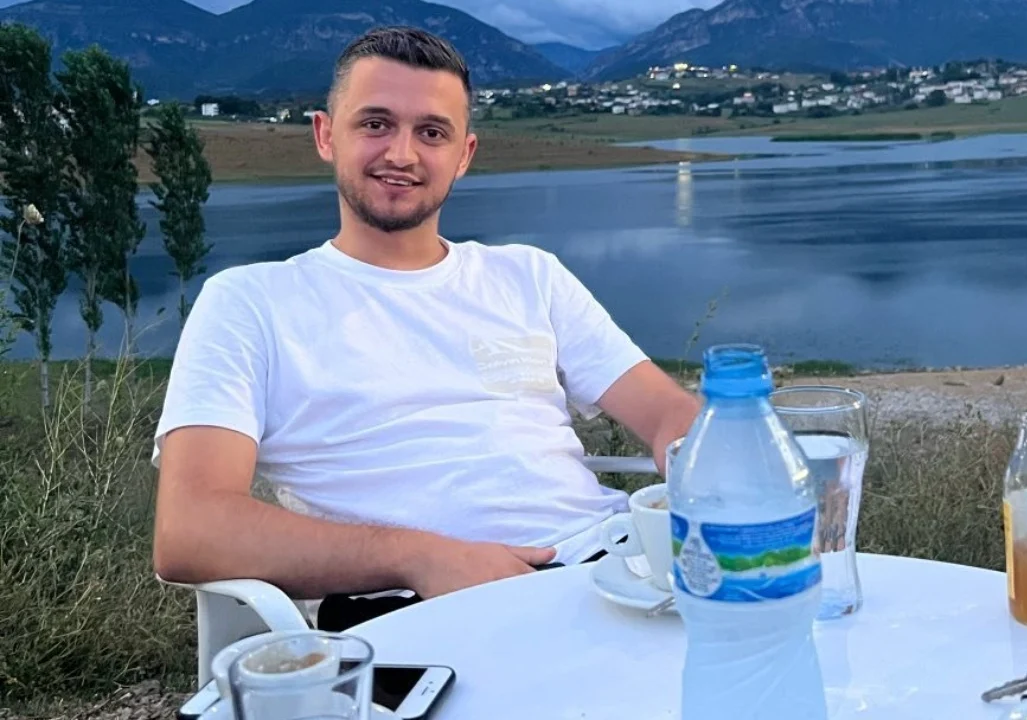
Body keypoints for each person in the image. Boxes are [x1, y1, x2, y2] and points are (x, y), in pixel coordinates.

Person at [151, 26, 701, 630]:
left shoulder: (529, 276)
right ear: (325, 135)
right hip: (416, 610)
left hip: (617, 569)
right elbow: (191, 530)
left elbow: (669, 416)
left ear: (464, 154)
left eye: (431, 133)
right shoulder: (251, 302)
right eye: (375, 124)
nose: (402, 154)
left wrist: (721, 464)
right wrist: (419, 558)